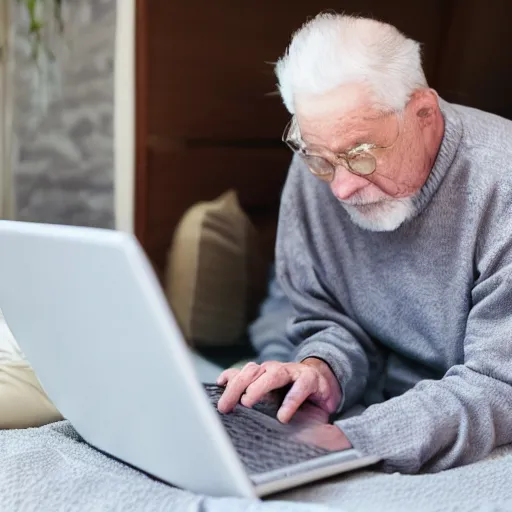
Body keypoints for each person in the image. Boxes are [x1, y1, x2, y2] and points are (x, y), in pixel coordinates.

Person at [216, 13, 512, 474]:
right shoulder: (322, 163)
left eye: (362, 154)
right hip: (367, 411)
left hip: (464, 430)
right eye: (320, 157)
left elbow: (499, 384)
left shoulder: (502, 182)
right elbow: (324, 319)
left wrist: (353, 439)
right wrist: (318, 371)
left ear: (425, 113)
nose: (340, 188)